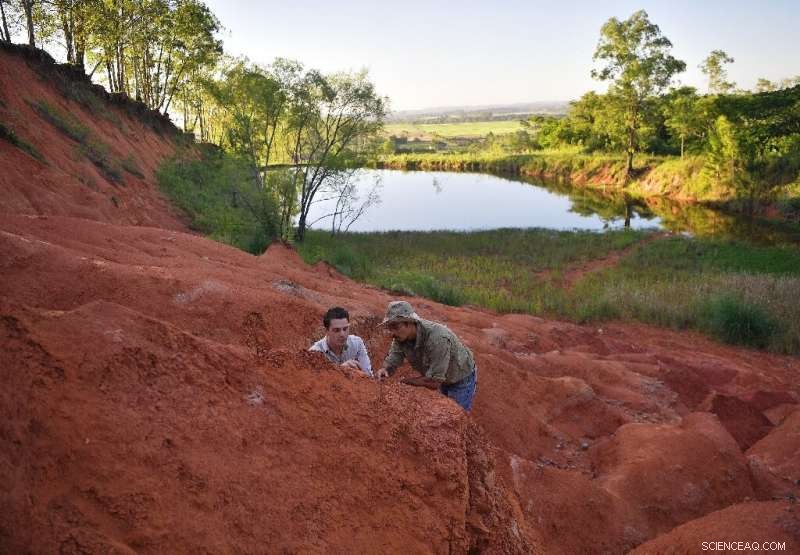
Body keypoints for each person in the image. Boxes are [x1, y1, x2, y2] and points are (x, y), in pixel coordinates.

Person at [375, 301, 478, 412]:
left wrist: (406, 382)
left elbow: (434, 382)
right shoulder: (400, 338)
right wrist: (385, 369)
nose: (392, 333)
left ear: (410, 323)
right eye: (390, 328)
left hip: (461, 377)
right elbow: (394, 356)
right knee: (443, 411)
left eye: (396, 327)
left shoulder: (437, 338)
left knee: (456, 416)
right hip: (441, 376)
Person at [309, 307, 372, 376]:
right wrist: (340, 370)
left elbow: (368, 375)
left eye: (345, 329)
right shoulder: (315, 353)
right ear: (327, 331)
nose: (342, 334)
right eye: (336, 330)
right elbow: (314, 381)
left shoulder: (357, 343)